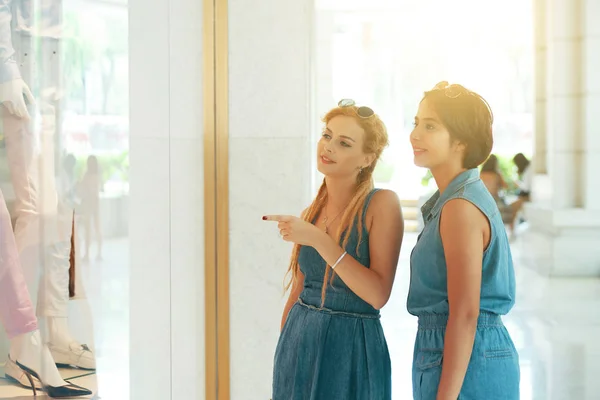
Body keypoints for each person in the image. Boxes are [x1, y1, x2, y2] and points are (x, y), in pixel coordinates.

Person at [264, 99, 404, 400]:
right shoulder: (311, 213)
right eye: (327, 135)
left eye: (343, 143)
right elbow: (298, 290)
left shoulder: (381, 205)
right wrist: (285, 350)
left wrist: (318, 239)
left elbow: (377, 295)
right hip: (299, 342)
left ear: (367, 158)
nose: (328, 147)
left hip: (353, 347)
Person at [407, 82, 519, 400]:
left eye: (430, 126)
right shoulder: (451, 200)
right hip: (457, 350)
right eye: (416, 123)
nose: (415, 135)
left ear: (460, 141)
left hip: (467, 356)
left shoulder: (460, 207)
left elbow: (466, 314)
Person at [480, 154, 524, 233]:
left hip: (484, 203)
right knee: (514, 208)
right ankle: (512, 230)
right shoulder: (497, 174)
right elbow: (505, 186)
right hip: (497, 204)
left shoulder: (481, 174)